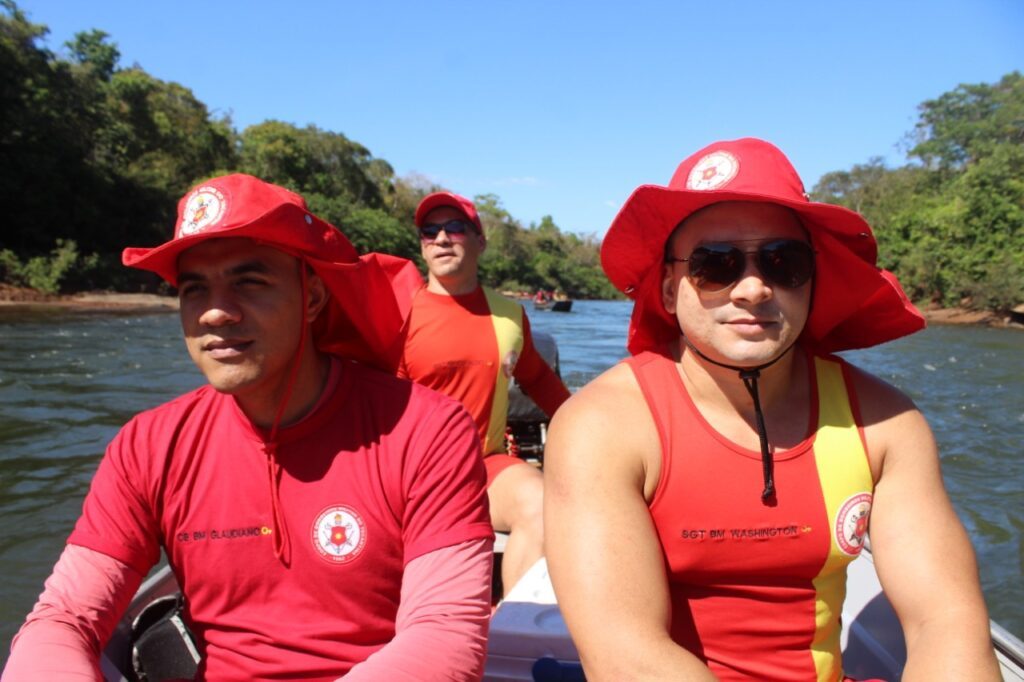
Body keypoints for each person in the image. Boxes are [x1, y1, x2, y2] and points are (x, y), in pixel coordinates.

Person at [3, 174, 495, 681]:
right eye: (195, 289)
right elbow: (63, 618)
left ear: (312, 298)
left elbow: (444, 634)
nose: (215, 313)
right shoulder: (148, 445)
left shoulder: (426, 429)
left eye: (249, 282)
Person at [544, 138, 1000, 681]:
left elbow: (945, 622)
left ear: (812, 282)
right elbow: (625, 656)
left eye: (784, 262)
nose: (754, 288)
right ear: (668, 290)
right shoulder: (602, 427)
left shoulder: (885, 424)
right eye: (716, 264)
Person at [398, 191, 571, 596]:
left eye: (455, 228)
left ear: (480, 241)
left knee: (543, 502)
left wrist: (590, 425)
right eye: (430, 231)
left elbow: (539, 380)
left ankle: (513, 622)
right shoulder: (398, 313)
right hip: (411, 476)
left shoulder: (510, 315)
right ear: (422, 246)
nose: (442, 238)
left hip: (485, 467)